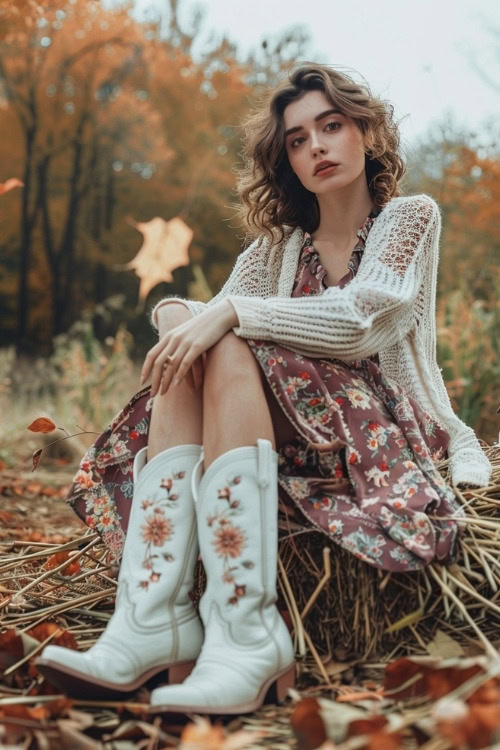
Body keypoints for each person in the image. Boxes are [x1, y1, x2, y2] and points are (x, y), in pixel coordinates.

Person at [36, 63, 492, 714]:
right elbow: (212, 312)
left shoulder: (407, 219)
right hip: (289, 422)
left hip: (381, 423)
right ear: (288, 162)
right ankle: (154, 619)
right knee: (207, 347)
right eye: (298, 140)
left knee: (226, 338)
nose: (317, 148)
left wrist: (223, 317)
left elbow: (363, 321)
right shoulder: (279, 245)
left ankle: (240, 631)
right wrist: (175, 318)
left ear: (366, 133)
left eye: (331, 127)